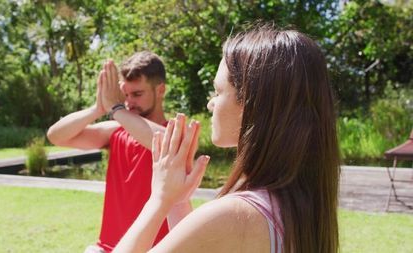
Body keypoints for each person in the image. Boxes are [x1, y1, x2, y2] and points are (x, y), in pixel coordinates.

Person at [112, 24, 341, 252]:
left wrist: (159, 200)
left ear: (250, 103)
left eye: (218, 92)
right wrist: (178, 201)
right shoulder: (295, 207)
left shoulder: (236, 215)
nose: (211, 103)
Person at [47, 51, 172, 253]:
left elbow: (166, 143)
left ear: (160, 90)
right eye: (126, 95)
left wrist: (116, 108)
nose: (129, 102)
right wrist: (97, 109)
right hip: (110, 248)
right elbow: (56, 136)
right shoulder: (115, 130)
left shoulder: (173, 133)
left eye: (137, 94)